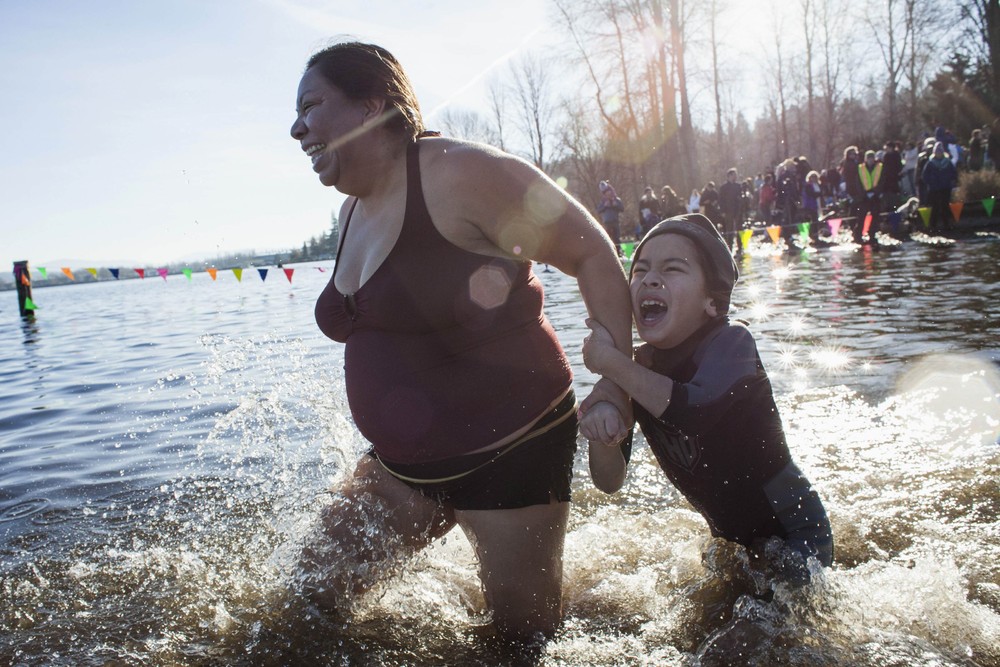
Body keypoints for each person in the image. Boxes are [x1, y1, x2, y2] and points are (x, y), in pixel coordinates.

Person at [290, 41, 633, 640]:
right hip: (403, 468)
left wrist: (616, 384)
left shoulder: (458, 174)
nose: (296, 129)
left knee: (518, 644)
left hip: (510, 453)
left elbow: (592, 252)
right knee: (305, 603)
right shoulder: (350, 214)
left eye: (311, 105)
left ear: (371, 104)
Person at [578, 214, 834, 575]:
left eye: (672, 269)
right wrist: (602, 434)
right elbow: (609, 483)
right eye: (640, 270)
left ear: (711, 302)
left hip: (797, 536)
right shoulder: (639, 371)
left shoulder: (732, 342)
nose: (650, 278)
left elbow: (692, 412)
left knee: (763, 631)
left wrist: (611, 362)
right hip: (731, 543)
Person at [922, 141, 959, 233]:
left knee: (945, 206)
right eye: (937, 152)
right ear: (934, 153)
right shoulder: (930, 163)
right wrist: (931, 182)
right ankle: (933, 226)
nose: (939, 153)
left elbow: (953, 173)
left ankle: (947, 225)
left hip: (945, 187)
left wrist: (952, 180)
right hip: (934, 189)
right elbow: (924, 176)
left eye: (940, 152)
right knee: (934, 207)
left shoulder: (947, 162)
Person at [598, 180, 626, 255]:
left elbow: (622, 208)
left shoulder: (617, 200)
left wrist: (615, 205)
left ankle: (618, 253)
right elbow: (598, 210)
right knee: (607, 238)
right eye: (606, 192)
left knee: (617, 238)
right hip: (607, 222)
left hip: (615, 221)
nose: (608, 193)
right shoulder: (603, 202)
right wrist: (604, 206)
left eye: (609, 191)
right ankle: (608, 253)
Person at [718, 168, 743, 248]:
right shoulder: (723, 187)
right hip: (728, 211)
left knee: (739, 229)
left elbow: (740, 198)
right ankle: (729, 247)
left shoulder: (738, 186)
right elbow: (721, 200)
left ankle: (740, 246)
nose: (736, 176)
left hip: (738, 211)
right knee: (729, 230)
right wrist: (723, 211)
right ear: (729, 176)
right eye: (734, 175)